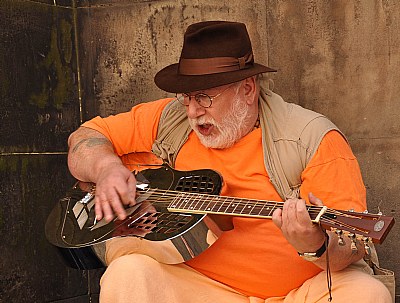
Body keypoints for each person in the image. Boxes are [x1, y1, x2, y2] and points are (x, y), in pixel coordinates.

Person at [67, 21, 392, 302]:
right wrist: (106, 168)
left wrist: (314, 245)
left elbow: (352, 249)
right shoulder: (170, 120)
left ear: (247, 89)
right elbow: (85, 138)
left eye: (205, 96)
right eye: (188, 97)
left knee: (366, 294)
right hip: (198, 288)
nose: (193, 111)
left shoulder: (311, 139)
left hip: (301, 292)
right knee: (127, 274)